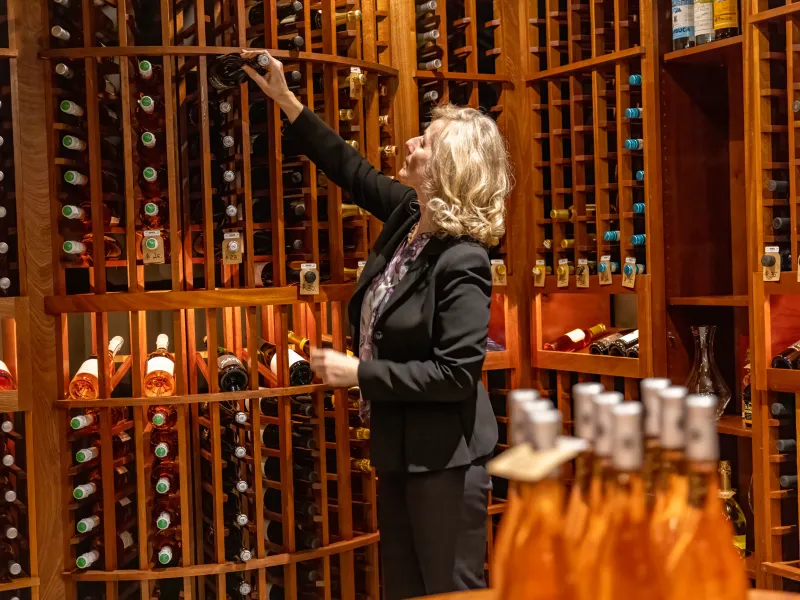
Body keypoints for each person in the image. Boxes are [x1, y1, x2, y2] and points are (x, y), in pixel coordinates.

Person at [243, 49, 512, 599]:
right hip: (401, 450)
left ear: (447, 168)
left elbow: (456, 375)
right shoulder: (412, 217)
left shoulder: (463, 258)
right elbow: (351, 170)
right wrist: (285, 99)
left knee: (449, 592)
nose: (411, 144)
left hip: (446, 462)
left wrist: (360, 373)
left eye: (425, 142)